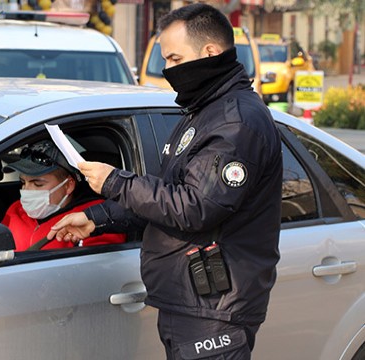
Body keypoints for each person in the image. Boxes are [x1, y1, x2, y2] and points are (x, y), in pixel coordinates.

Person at [47, 3, 282, 359]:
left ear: (210, 53)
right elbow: (166, 196)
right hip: (190, 300)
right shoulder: (203, 113)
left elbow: (194, 207)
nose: (167, 70)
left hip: (213, 308)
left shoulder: (236, 123)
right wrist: (96, 218)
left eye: (174, 58)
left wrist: (115, 181)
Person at [1, 139, 125, 251]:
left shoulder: (95, 216)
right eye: (23, 183)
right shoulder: (16, 210)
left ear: (68, 185)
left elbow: (98, 268)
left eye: (38, 184)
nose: (26, 190)